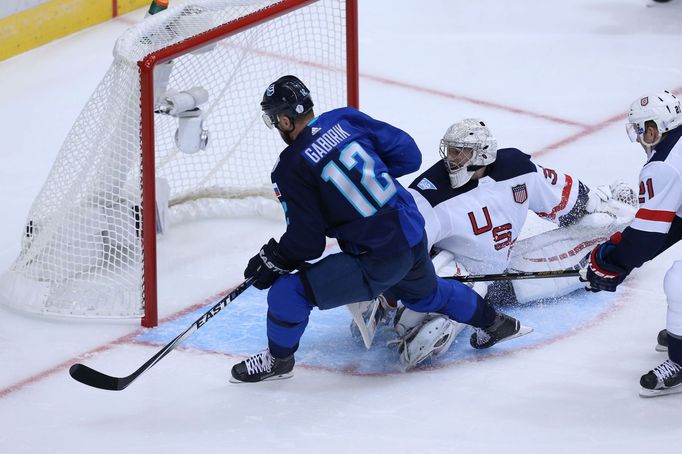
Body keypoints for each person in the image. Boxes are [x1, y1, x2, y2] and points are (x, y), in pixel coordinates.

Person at [229, 75, 531, 383]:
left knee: (287, 294)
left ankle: (278, 362)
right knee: (428, 295)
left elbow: (307, 243)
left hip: (377, 257)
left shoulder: (289, 168)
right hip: (412, 233)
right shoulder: (344, 119)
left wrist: (274, 258)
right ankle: (495, 323)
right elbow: (409, 156)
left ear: (283, 119)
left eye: (273, 120)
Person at [353, 118, 637, 369]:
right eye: (449, 150)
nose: (450, 158)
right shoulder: (429, 194)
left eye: (459, 152)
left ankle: (616, 206)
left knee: (604, 235)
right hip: (460, 271)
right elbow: (406, 249)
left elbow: (566, 201)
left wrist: (594, 202)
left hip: (508, 266)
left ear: (483, 154)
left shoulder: (518, 169)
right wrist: (387, 290)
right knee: (414, 313)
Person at [582, 90, 682, 397]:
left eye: (641, 130)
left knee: (679, 282)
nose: (640, 138)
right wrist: (618, 258)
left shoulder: (664, 165)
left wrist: (608, 263)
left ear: (653, 129)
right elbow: (671, 224)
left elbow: (648, 236)